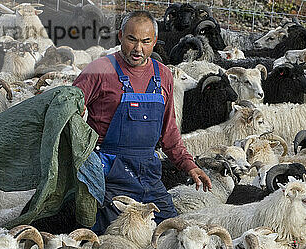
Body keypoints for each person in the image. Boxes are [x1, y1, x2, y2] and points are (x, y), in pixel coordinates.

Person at [73, 10, 211, 234]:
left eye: (146, 42)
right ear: (120, 36)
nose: (138, 49)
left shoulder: (163, 75)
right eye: (132, 40)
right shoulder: (99, 70)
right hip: (109, 175)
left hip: (149, 175)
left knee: (171, 233)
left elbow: (169, 133)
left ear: (155, 41)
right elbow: (69, 110)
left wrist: (190, 166)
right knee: (117, 238)